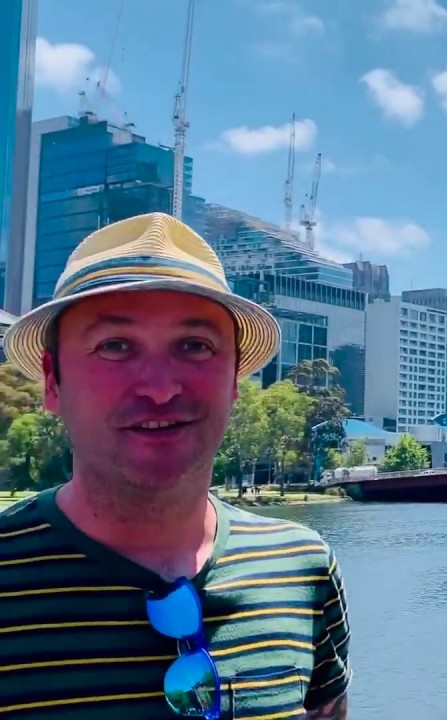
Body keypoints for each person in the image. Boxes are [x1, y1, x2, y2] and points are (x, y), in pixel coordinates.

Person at [0, 214, 351, 719]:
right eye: (115, 347)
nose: (161, 387)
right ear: (53, 383)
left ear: (234, 380)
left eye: (195, 346)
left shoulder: (304, 568)